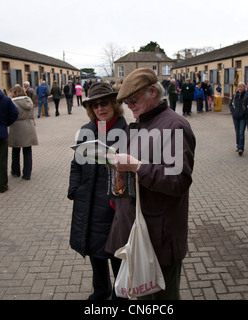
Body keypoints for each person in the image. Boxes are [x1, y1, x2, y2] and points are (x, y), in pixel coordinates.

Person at [105, 68, 196, 300]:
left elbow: (178, 181)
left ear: (153, 92)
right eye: (126, 101)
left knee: (162, 298)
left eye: (133, 99)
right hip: (139, 231)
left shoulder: (174, 126)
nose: (129, 106)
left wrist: (136, 166)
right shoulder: (142, 122)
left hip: (159, 236)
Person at [68, 82, 127, 300]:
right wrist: (74, 190)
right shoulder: (87, 130)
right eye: (94, 105)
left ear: (113, 104)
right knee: (94, 250)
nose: (100, 108)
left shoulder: (126, 132)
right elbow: (76, 164)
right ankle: (100, 291)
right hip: (87, 200)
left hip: (112, 203)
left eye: (104, 103)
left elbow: (129, 172)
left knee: (115, 252)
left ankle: (119, 294)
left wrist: (118, 199)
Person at [8, 85, 38, 180]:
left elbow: (10, 115)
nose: (10, 94)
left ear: (16, 93)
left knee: (16, 150)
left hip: (17, 127)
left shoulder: (12, 103)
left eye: (12, 92)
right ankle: (27, 173)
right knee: (27, 151)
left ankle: (16, 171)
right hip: (29, 126)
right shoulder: (29, 101)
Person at [229, 82, 247, 156]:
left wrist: (244, 112)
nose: (240, 88)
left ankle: (241, 148)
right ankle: (238, 144)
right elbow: (231, 104)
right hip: (235, 116)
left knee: (241, 132)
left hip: (243, 117)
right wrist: (233, 112)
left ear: (244, 88)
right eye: (239, 87)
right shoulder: (235, 95)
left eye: (242, 87)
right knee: (237, 132)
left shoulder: (246, 95)